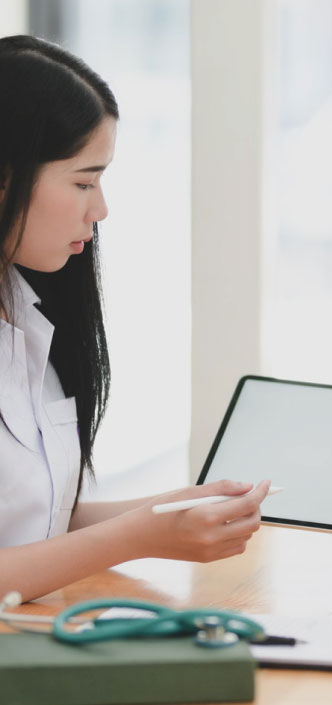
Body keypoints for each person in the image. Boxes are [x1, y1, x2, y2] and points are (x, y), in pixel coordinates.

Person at [0, 35, 269, 603]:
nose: (99, 209)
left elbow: (34, 523)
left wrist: (168, 513)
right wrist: (139, 535)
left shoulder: (24, 312)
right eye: (83, 182)